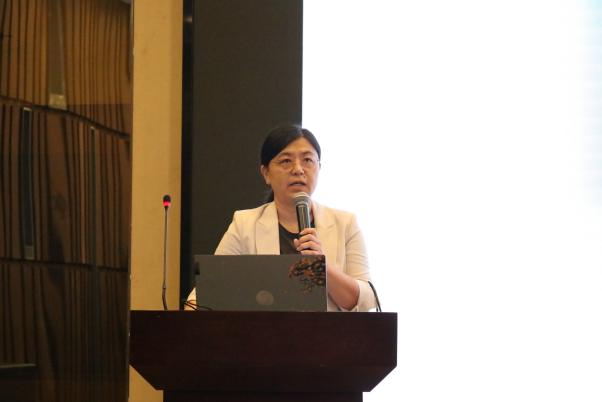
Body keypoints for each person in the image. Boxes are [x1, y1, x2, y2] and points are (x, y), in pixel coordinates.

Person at [187, 124, 377, 311]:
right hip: (264, 330)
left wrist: (322, 266)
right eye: (286, 161)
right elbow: (206, 294)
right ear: (266, 173)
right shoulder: (245, 224)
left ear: (319, 167)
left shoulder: (345, 223)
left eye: (307, 160)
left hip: (327, 331)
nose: (298, 169)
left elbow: (366, 300)